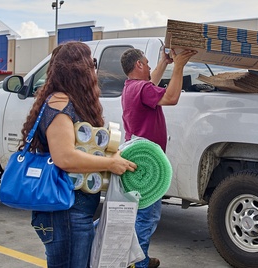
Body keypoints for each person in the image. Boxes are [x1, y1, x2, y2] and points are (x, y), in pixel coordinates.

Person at [19, 41, 137, 268]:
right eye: (92, 63)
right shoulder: (60, 103)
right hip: (65, 213)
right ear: (79, 68)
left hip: (72, 211)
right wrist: (109, 163)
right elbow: (65, 158)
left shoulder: (65, 101)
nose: (94, 69)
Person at [120, 47, 196, 268]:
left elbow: (150, 83)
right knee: (147, 217)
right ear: (139, 65)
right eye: (148, 62)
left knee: (138, 215)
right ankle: (138, 264)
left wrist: (164, 62)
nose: (151, 67)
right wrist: (179, 65)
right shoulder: (143, 88)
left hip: (137, 157)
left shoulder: (131, 87)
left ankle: (139, 258)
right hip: (147, 165)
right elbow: (171, 97)